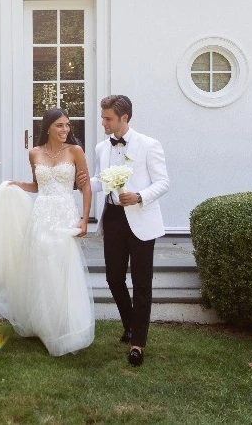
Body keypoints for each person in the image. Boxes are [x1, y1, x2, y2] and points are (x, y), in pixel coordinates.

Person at [0, 108, 95, 356]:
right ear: (48, 128)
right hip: (41, 215)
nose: (65, 130)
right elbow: (37, 185)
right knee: (42, 270)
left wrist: (85, 220)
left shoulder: (75, 151)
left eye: (67, 126)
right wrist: (15, 185)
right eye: (60, 126)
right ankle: (45, 325)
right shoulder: (34, 153)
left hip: (65, 214)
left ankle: (65, 325)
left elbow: (85, 188)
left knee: (63, 267)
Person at [83, 95, 170, 367]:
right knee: (113, 278)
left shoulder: (149, 145)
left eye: (108, 118)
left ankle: (137, 344)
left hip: (142, 219)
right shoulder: (101, 148)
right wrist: (84, 182)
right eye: (103, 117)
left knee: (142, 283)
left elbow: (163, 182)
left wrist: (140, 196)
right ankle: (130, 323)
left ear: (124, 118)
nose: (103, 122)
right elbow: (100, 180)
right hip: (114, 220)